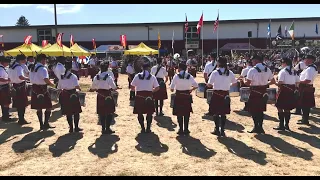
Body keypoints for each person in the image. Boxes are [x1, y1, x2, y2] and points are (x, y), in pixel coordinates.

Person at [207, 57, 237, 136]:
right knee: (223, 113)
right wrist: (228, 85)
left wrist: (208, 84)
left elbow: (209, 84)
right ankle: (222, 130)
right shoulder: (230, 72)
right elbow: (235, 83)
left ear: (219, 63)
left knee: (215, 113)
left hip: (216, 94)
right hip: (225, 94)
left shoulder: (215, 72)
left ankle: (217, 129)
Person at [245, 55, 275, 134]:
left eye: (253, 60)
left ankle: (256, 126)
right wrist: (265, 84)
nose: (252, 62)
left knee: (253, 110)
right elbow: (273, 81)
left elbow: (248, 83)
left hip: (254, 91)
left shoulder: (252, 70)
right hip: (263, 91)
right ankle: (260, 127)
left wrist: (243, 81)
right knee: (261, 110)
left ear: (256, 60)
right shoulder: (267, 69)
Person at [170, 62, 198, 136]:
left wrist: (174, 89)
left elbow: (172, 89)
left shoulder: (176, 76)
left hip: (178, 95)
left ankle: (180, 129)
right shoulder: (189, 76)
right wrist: (191, 89)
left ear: (180, 68)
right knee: (186, 113)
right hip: (187, 96)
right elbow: (196, 85)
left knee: (179, 113)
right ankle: (186, 129)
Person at [131, 61, 160, 133]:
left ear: (142, 68)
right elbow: (157, 88)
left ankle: (142, 128)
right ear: (149, 68)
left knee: (139, 113)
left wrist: (136, 90)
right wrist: (152, 91)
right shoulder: (152, 77)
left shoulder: (137, 76)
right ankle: (148, 128)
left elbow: (132, 87)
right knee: (149, 112)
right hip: (149, 96)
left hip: (139, 96)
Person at [90, 61, 117, 134]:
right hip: (107, 95)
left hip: (100, 95)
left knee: (101, 112)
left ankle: (103, 129)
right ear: (107, 68)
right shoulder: (109, 77)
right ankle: (107, 128)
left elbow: (92, 87)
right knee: (109, 112)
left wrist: (96, 88)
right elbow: (114, 87)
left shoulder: (96, 77)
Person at [29, 54, 55, 130]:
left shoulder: (32, 68)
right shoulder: (43, 69)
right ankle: (46, 123)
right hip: (43, 88)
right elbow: (46, 80)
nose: (46, 61)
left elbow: (30, 79)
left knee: (38, 108)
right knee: (49, 107)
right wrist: (52, 85)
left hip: (34, 88)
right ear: (42, 60)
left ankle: (41, 124)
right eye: (45, 59)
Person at [274, 58, 300, 131]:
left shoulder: (283, 71)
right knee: (287, 109)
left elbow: (280, 83)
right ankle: (287, 125)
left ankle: (281, 125)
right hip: (291, 91)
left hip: (283, 91)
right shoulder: (294, 71)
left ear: (285, 63)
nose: (281, 64)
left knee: (279, 107)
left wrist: (274, 82)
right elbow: (298, 81)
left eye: (282, 63)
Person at [57, 60, 83, 133]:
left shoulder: (61, 76)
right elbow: (76, 86)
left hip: (64, 94)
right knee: (76, 112)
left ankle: (71, 128)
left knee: (68, 112)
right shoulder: (73, 76)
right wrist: (80, 88)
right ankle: (76, 127)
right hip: (73, 94)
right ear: (71, 68)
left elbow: (59, 87)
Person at [8, 54, 30, 125]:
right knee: (22, 104)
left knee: (18, 104)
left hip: (14, 85)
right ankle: (21, 119)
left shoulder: (11, 66)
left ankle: (21, 118)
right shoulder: (19, 67)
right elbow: (20, 77)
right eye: (25, 59)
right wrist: (28, 78)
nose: (26, 60)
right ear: (21, 60)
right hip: (20, 86)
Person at [297, 55, 318, 125]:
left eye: (305, 59)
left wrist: (299, 82)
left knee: (305, 104)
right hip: (306, 87)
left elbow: (308, 80)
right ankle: (304, 118)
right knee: (305, 104)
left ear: (310, 60)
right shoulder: (310, 68)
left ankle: (305, 120)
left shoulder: (310, 69)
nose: (304, 61)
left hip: (305, 87)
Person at [0, 57, 13, 122]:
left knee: (3, 102)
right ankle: (6, 117)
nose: (8, 64)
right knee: (6, 102)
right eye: (7, 62)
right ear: (3, 62)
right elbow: (0, 78)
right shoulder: (1, 69)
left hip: (3, 86)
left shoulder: (3, 68)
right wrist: (8, 80)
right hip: (3, 86)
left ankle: (5, 115)